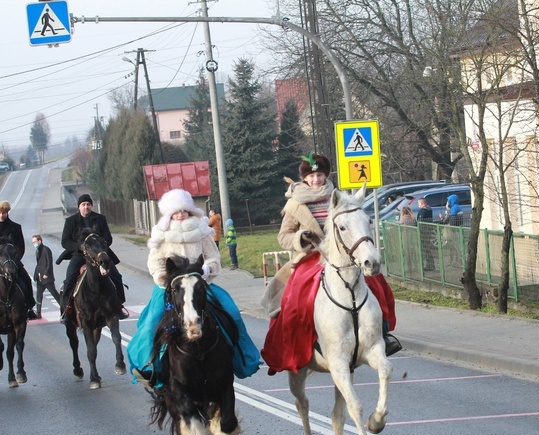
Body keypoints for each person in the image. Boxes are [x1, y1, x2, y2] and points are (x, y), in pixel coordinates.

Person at [261, 152, 401, 364]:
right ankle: (297, 340)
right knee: (298, 294)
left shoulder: (339, 197)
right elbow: (283, 237)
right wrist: (301, 238)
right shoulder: (295, 204)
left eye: (320, 175)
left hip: (345, 256)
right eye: (311, 176)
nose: (316, 180)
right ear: (304, 178)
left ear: (326, 175)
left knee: (376, 282)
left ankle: (382, 332)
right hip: (310, 257)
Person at [127, 189, 260, 389]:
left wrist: (207, 269)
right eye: (176, 212)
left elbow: (214, 257)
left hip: (201, 285)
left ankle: (242, 359)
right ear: (170, 214)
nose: (180, 215)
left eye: (184, 211)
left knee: (232, 313)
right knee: (150, 323)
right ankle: (149, 368)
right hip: (170, 289)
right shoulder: (161, 235)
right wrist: (167, 279)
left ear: (190, 211)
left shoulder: (202, 230)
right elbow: (154, 263)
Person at [57, 194, 128, 324]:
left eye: (88, 204)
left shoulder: (100, 219)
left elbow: (108, 238)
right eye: (83, 205)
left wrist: (100, 247)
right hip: (80, 255)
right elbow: (65, 242)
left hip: (99, 255)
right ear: (79, 207)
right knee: (69, 281)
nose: (86, 207)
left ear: (91, 206)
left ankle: (119, 306)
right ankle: (67, 310)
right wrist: (80, 247)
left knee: (117, 277)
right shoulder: (70, 221)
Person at [31, 235, 61, 319]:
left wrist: (46, 273)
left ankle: (64, 308)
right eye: (33, 242)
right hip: (39, 277)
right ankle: (38, 313)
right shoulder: (37, 251)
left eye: (35, 242)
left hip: (47, 278)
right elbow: (39, 264)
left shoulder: (46, 250)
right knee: (38, 296)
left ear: (40, 241)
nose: (34, 244)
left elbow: (49, 263)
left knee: (54, 294)